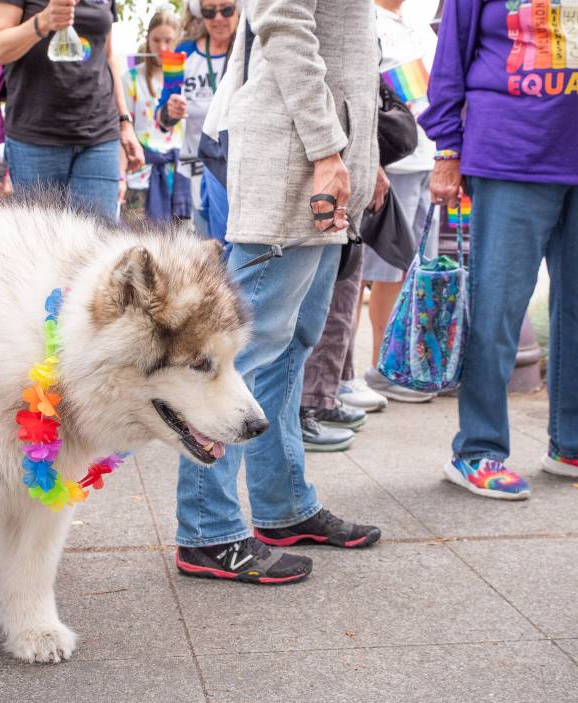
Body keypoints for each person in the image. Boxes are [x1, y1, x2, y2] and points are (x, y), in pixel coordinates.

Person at [174, 0, 383, 585]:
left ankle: (284, 506)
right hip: (296, 166)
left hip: (321, 169)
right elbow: (284, 26)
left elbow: (348, 51)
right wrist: (327, 150)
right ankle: (207, 530)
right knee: (237, 357)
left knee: (290, 349)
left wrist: (362, 159)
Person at [419, 0, 578, 500]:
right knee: (497, 306)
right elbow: (450, 59)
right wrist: (447, 150)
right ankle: (477, 450)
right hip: (511, 154)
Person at [0, 0, 144, 222]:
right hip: (36, 137)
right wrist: (42, 22)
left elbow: (108, 56)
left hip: (100, 134)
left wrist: (125, 122)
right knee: (42, 243)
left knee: (98, 243)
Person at [360, 0, 439, 404]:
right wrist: (374, 161)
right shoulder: (366, 17)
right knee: (382, 270)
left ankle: (399, 363)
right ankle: (377, 368)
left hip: (428, 158)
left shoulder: (418, 24)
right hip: (395, 165)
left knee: (412, 268)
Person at [170, 0, 239, 239]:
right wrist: (170, 111)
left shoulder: (249, 52)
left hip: (237, 164)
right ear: (200, 13)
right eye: (210, 12)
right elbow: (163, 116)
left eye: (226, 10)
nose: (218, 18)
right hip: (197, 165)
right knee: (208, 245)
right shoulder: (181, 52)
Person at [120, 10, 187, 224]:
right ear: (148, 40)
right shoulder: (131, 78)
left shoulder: (185, 78)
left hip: (176, 174)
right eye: (156, 40)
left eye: (168, 40)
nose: (162, 47)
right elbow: (123, 128)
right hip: (140, 173)